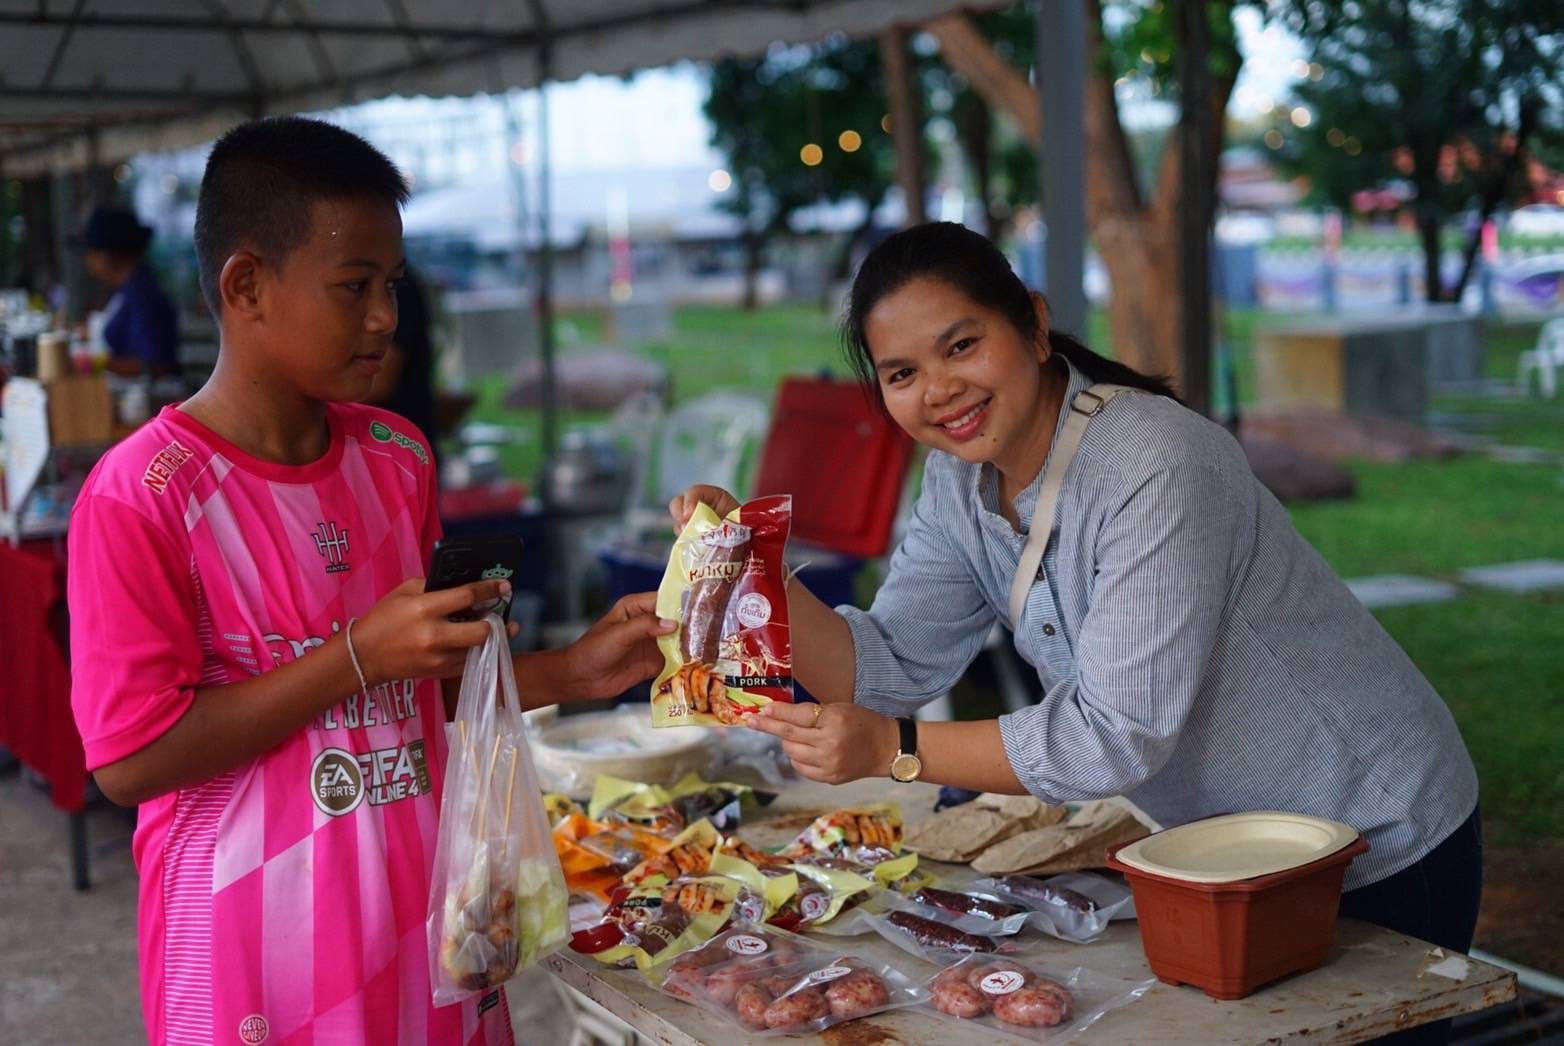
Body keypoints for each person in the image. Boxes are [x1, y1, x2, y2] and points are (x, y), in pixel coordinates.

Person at [674, 223, 1481, 1040]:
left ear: (1031, 323)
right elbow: (886, 669)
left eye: (962, 346)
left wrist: (892, 749)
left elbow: (1112, 737)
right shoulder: (958, 480)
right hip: (1227, 857)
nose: (941, 389)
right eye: (904, 374)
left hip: (1376, 836)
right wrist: (749, 560)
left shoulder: (1154, 463)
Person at [67, 117, 673, 1045]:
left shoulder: (396, 459)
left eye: (392, 285)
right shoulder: (146, 495)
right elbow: (129, 759)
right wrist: (352, 655)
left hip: (427, 920)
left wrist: (572, 674)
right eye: (355, 287)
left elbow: (421, 682)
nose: (386, 317)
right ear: (246, 286)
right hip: (249, 950)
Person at [72, 205, 181, 377]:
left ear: (107, 255)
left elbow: (156, 364)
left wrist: (95, 363)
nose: (87, 260)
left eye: (91, 252)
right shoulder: (128, 290)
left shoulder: (142, 294)